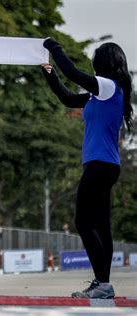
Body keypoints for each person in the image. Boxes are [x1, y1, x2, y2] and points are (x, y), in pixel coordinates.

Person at [41, 38, 133, 299]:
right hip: (103, 164)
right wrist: (50, 74)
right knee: (101, 226)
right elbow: (68, 98)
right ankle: (103, 283)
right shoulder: (99, 94)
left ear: (104, 62)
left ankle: (103, 283)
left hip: (101, 165)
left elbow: (73, 73)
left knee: (83, 221)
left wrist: (54, 47)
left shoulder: (108, 86)